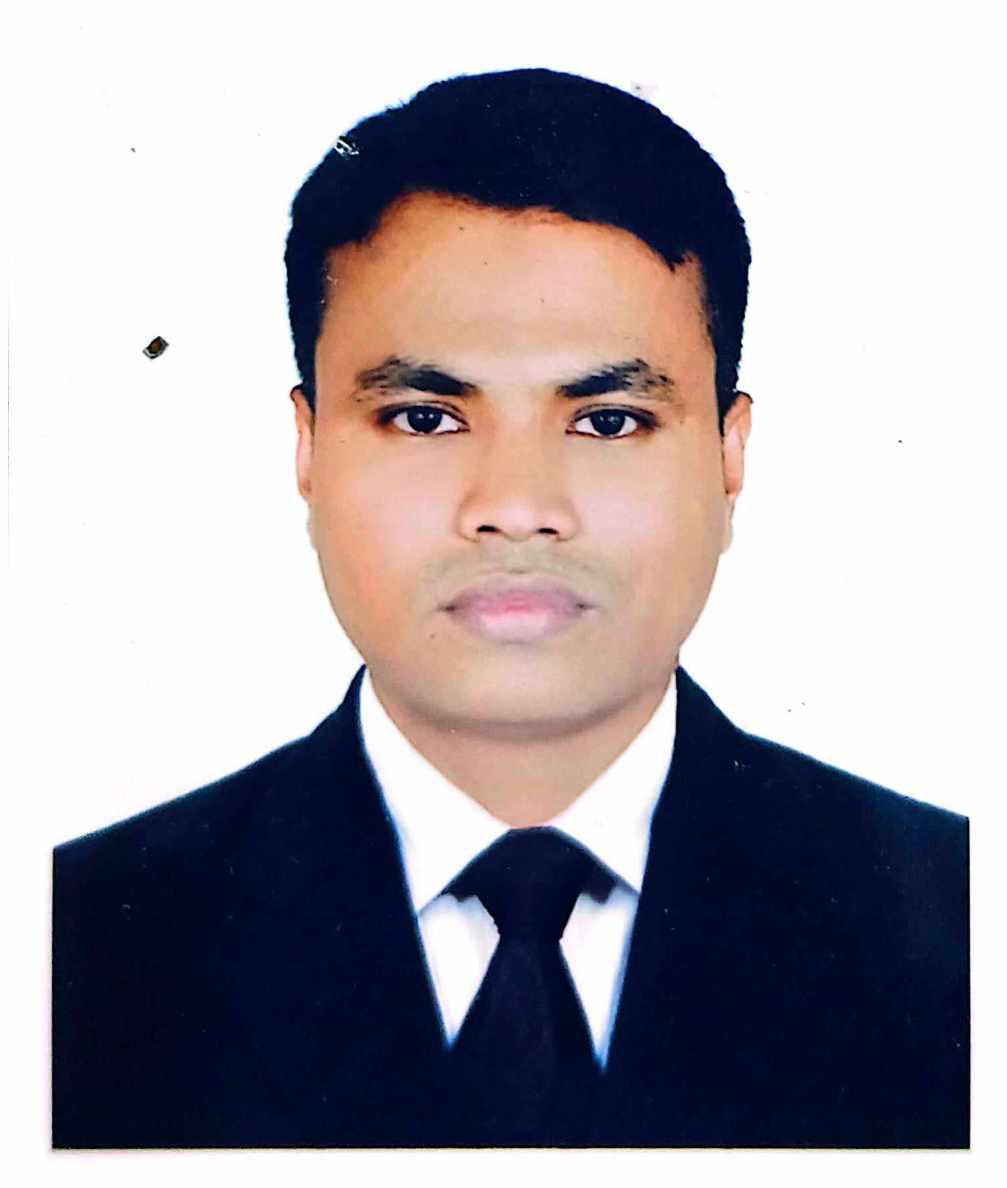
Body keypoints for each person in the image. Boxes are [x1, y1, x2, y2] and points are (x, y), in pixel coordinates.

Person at [51, 67, 969, 1149]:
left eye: (610, 421)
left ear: (729, 458)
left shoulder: (958, 928)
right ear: (307, 450)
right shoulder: (71, 951)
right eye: (424, 418)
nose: (518, 507)